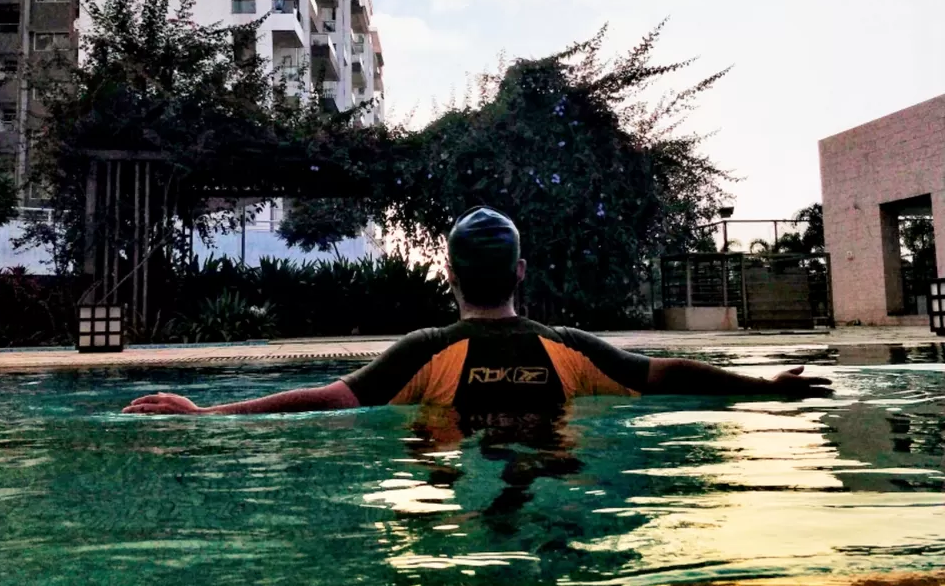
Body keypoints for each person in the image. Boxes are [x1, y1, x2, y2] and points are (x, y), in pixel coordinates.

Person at [123, 207, 832, 416]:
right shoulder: (571, 348)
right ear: (520, 273)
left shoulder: (424, 352)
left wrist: (207, 414)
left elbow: (324, 400)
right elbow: (668, 374)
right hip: (556, 481)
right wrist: (766, 387)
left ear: (450, 275)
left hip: (451, 492)